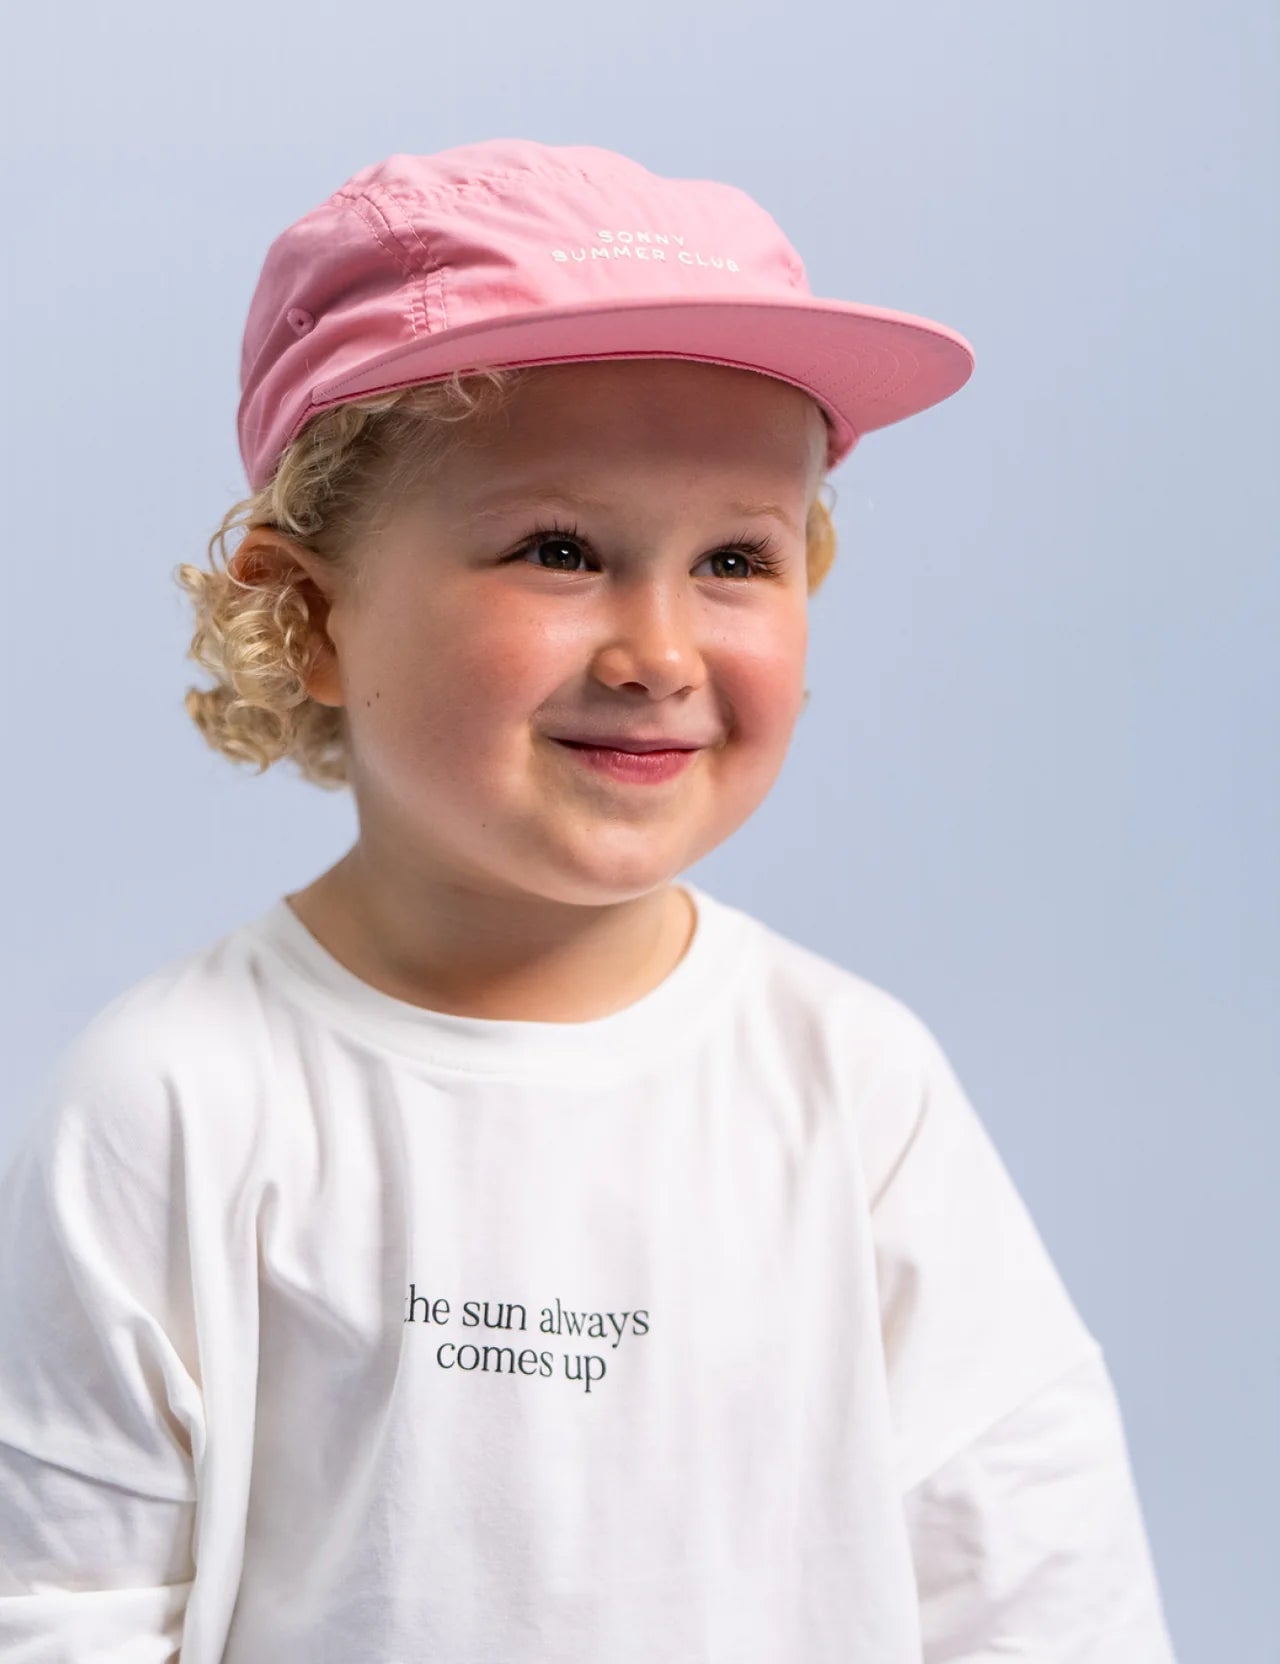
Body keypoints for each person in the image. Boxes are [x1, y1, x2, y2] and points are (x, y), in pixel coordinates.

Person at [0, 139, 1178, 1662]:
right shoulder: (178, 1101)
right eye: (560, 550)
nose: (660, 649)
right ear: (310, 617)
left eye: (738, 558)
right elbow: (57, 1612)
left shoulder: (853, 1092)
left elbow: (1039, 1593)